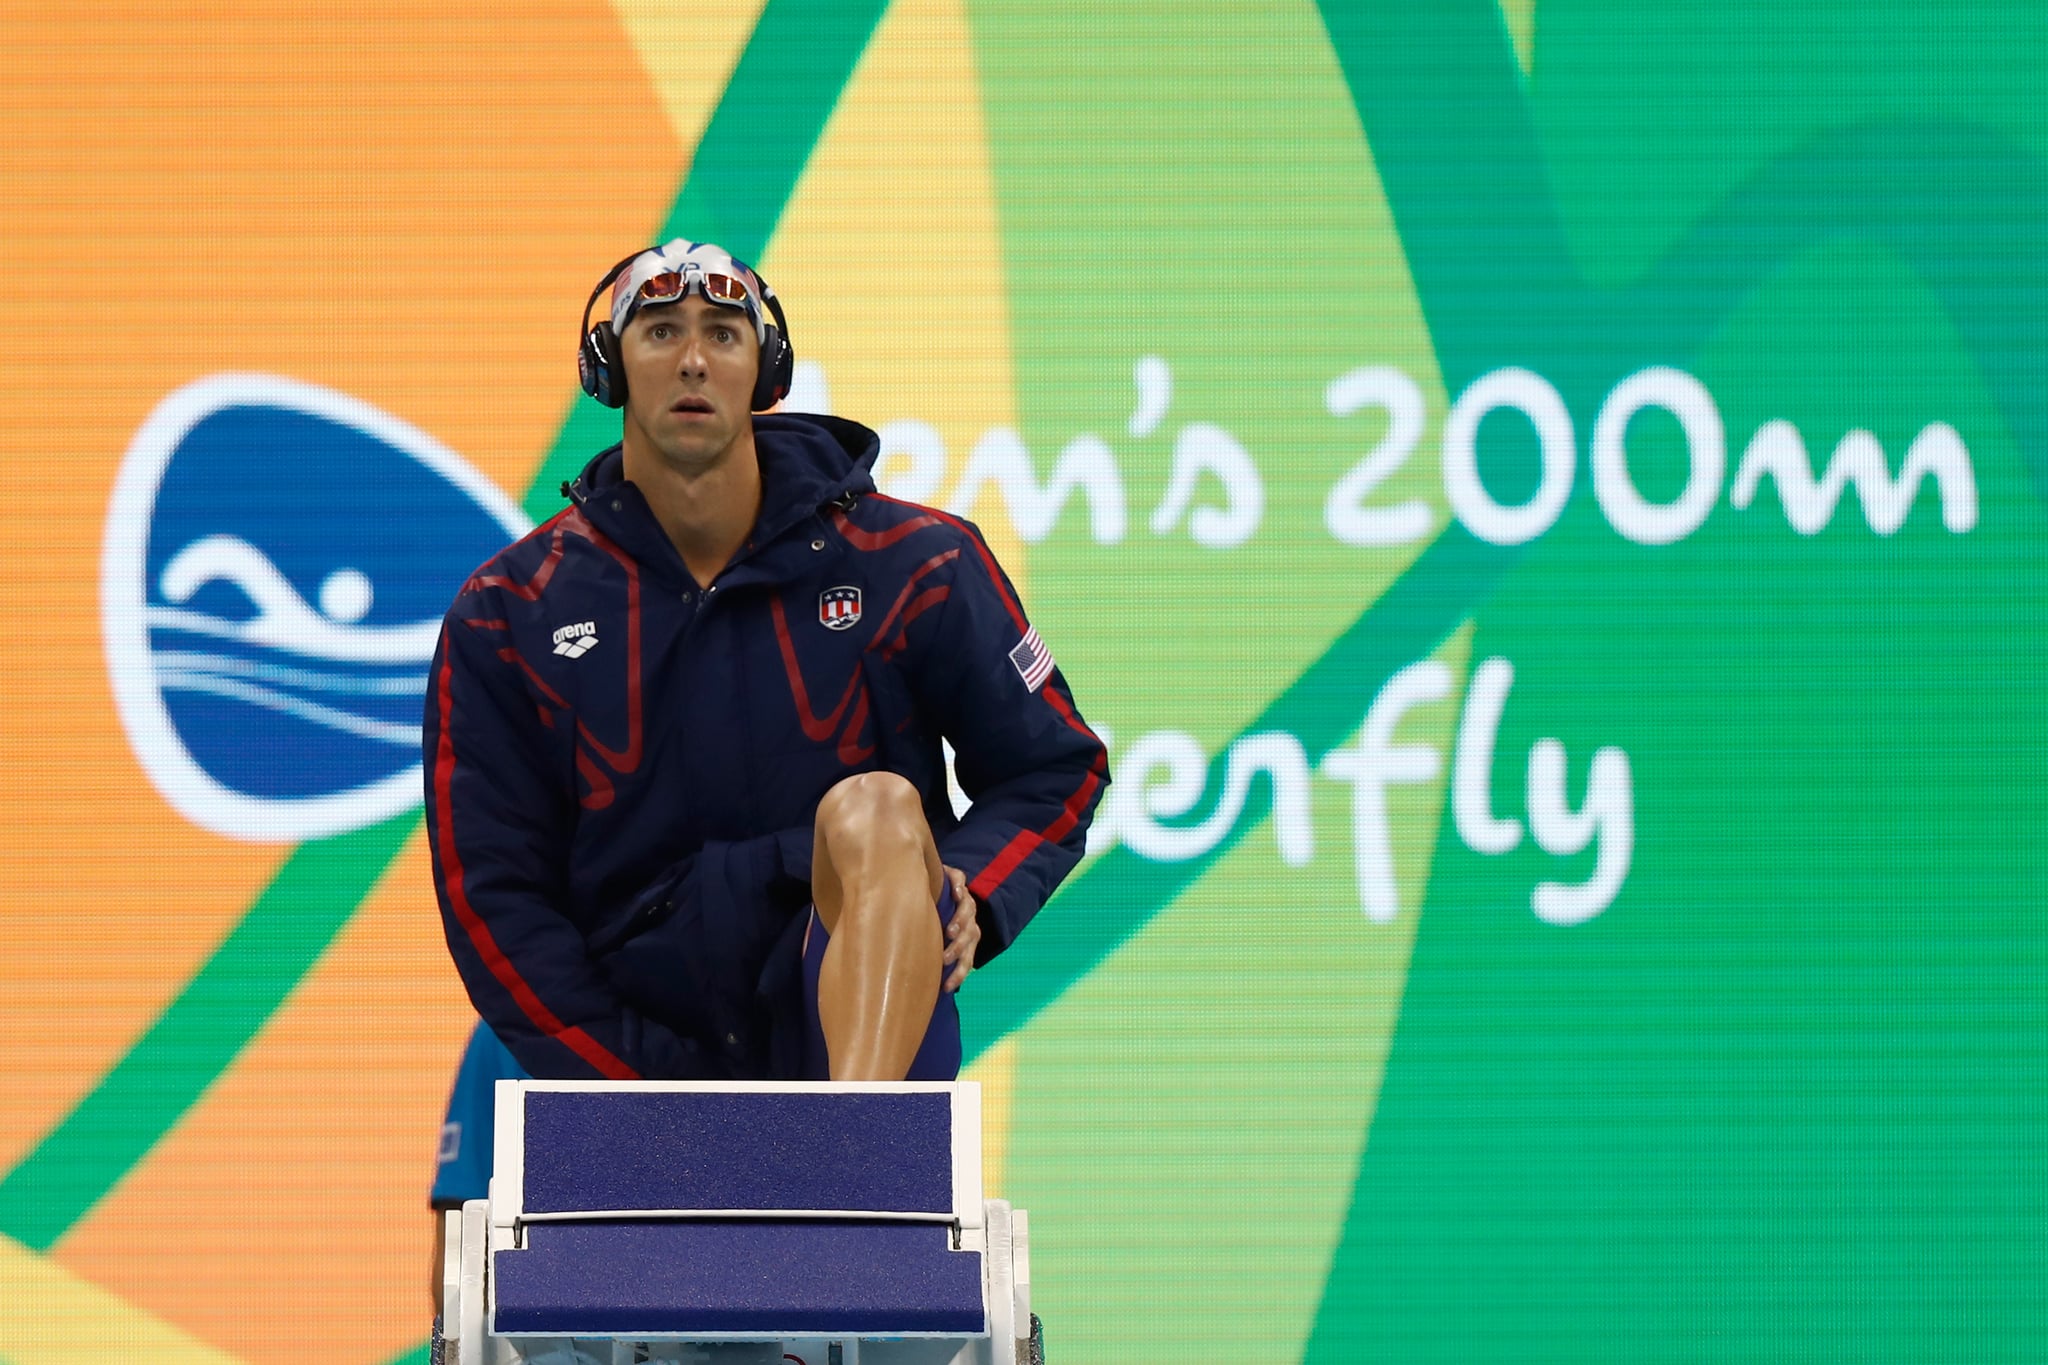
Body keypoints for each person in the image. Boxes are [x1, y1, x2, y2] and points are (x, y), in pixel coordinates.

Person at [421, 240, 1107, 1308]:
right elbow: (493, 901)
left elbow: (1054, 767)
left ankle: (849, 1201)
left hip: (845, 998)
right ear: (611, 371)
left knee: (881, 811)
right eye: (660, 333)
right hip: (636, 1048)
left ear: (763, 372)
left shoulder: (915, 563)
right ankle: (834, 1210)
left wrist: (968, 886)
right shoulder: (508, 616)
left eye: (722, 335)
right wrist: (637, 1099)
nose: (692, 360)